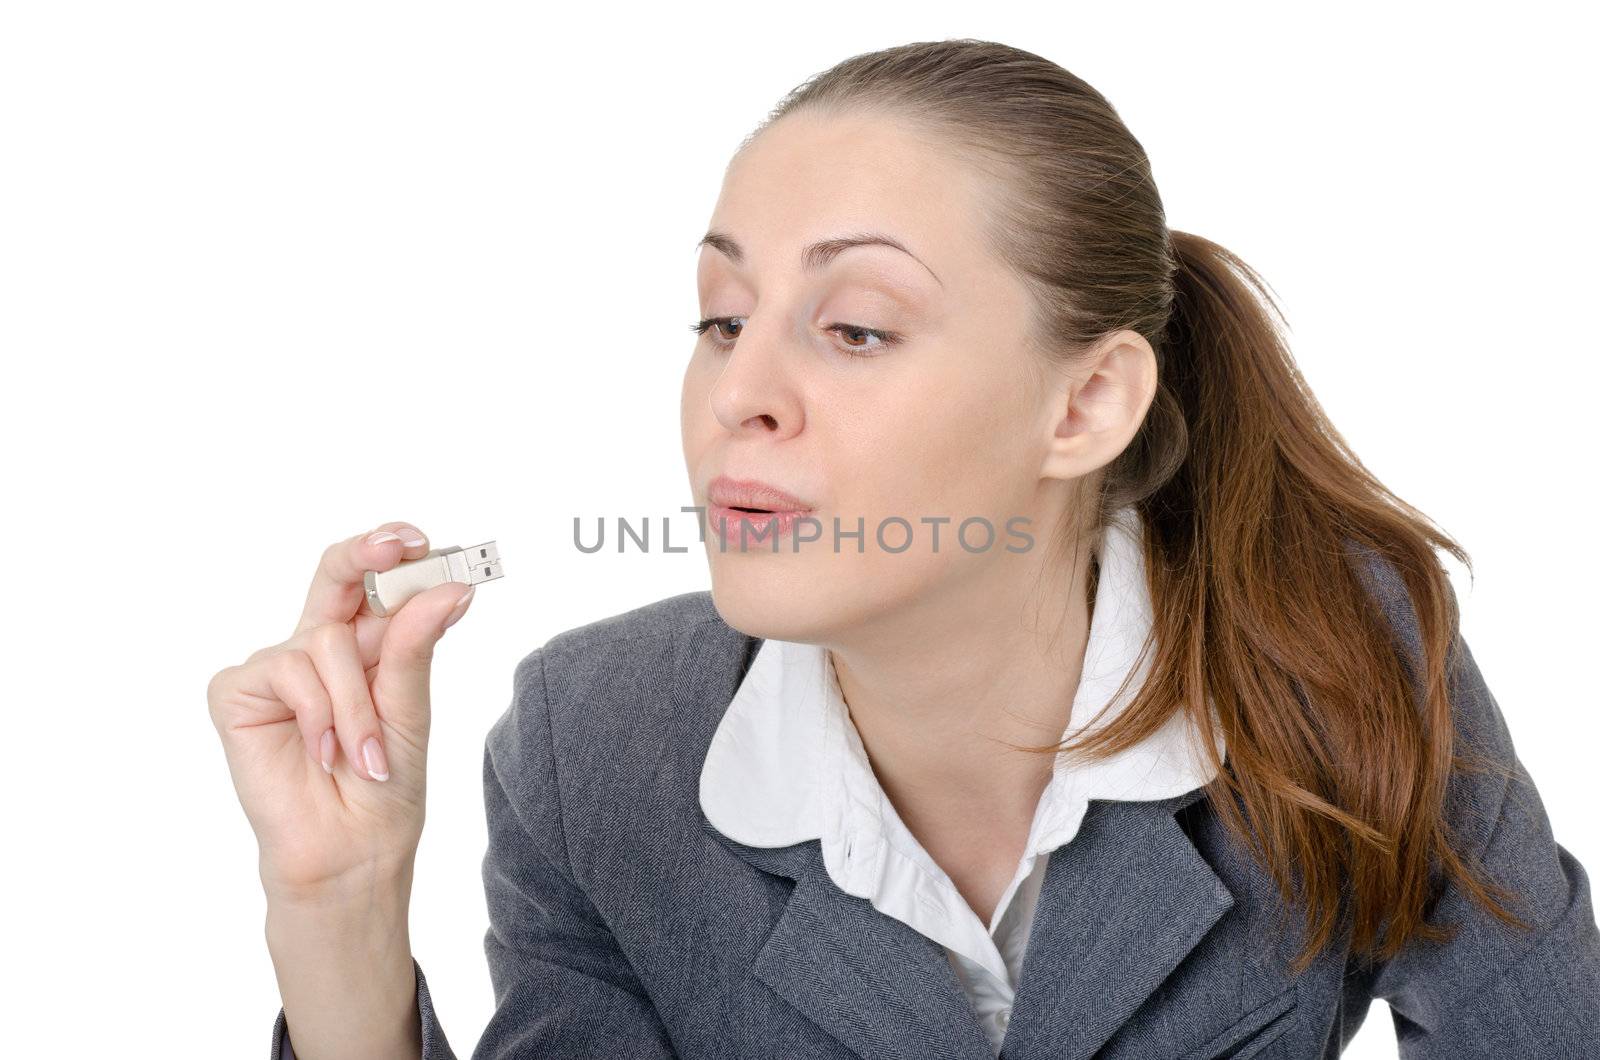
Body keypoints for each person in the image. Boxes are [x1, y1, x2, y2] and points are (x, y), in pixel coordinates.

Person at [209, 38, 1600, 1059]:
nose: (739, 389)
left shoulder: (1336, 647)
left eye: (857, 326)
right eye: (720, 317)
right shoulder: (593, 745)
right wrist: (340, 915)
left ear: (1086, 404)